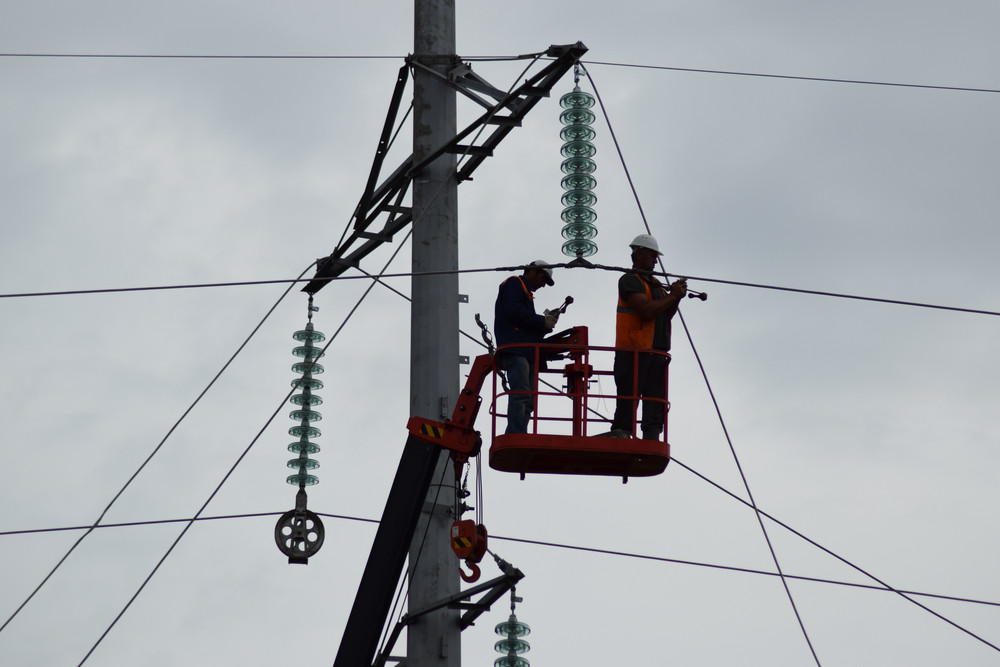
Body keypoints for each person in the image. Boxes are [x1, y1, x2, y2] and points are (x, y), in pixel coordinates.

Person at [606, 234, 687, 440]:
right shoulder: (630, 280)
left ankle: (652, 434)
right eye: (652, 256)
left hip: (656, 351)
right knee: (629, 397)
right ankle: (622, 431)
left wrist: (675, 299)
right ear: (638, 255)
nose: (655, 260)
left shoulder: (656, 284)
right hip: (633, 350)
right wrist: (673, 295)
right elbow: (646, 311)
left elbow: (665, 314)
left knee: (655, 399)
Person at [494, 260, 560, 433]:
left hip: (526, 351)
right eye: (543, 278)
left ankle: (520, 432)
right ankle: (515, 433)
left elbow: (525, 324)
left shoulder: (526, 293)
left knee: (529, 399)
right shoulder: (514, 283)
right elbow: (514, 312)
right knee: (521, 394)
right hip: (516, 349)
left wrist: (544, 325)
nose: (543, 284)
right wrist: (541, 321)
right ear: (531, 271)